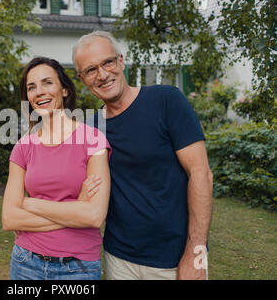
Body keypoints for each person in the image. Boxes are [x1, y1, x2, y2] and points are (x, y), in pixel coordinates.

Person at [72, 31, 213, 280]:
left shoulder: (166, 100)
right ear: (82, 78)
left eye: (108, 62)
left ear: (121, 61)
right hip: (118, 258)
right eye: (91, 70)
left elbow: (201, 174)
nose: (103, 75)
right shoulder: (91, 128)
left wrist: (196, 252)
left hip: (175, 260)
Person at [2, 57, 112, 280]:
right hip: (25, 263)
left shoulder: (92, 140)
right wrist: (75, 208)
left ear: (64, 90)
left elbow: (93, 216)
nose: (39, 92)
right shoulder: (23, 147)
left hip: (77, 267)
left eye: (47, 83)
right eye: (31, 87)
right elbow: (10, 219)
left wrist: (30, 203)